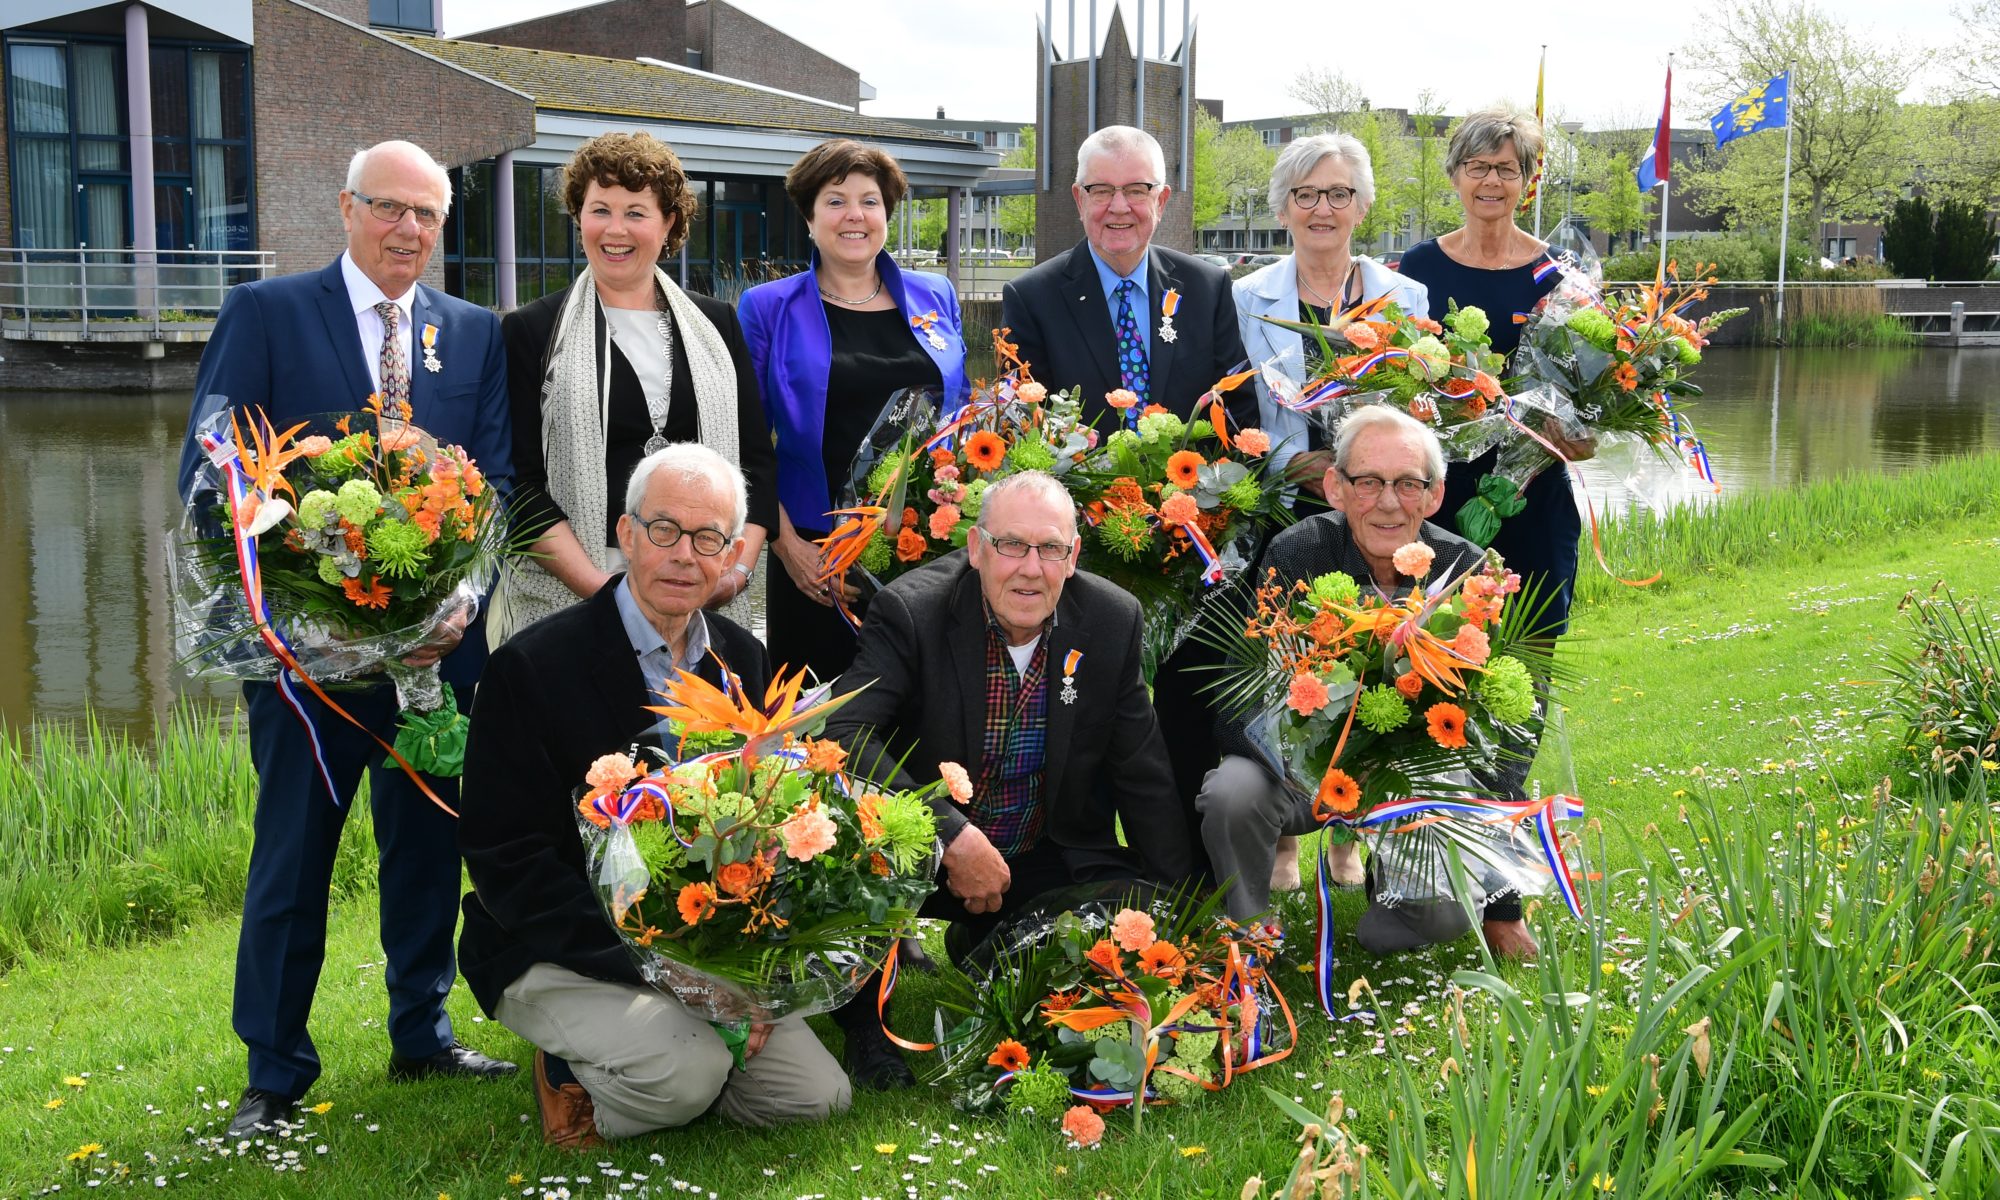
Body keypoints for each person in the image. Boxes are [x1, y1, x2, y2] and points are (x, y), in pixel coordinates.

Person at [175, 140, 518, 1141]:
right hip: (305, 669)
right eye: (388, 209)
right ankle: (273, 1071)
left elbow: (490, 481)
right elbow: (218, 473)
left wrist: (458, 606)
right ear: (346, 208)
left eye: (426, 215)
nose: (407, 230)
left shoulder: (472, 332)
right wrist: (298, 612)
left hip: (435, 661)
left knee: (426, 849)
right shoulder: (267, 314)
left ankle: (423, 1032)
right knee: (293, 860)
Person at [458, 444, 850, 1148]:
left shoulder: (744, 657)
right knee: (686, 1074)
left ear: (733, 554)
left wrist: (743, 977)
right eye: (664, 530)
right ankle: (571, 1073)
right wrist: (663, 971)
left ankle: (672, 1060)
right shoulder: (531, 666)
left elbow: (765, 824)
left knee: (816, 1098)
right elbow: (506, 859)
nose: (684, 556)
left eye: (708, 539)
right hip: (561, 941)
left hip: (706, 941)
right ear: (626, 534)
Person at [821, 471, 1193, 1084]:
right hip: (918, 851)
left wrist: (1184, 912)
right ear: (975, 549)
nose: (1030, 568)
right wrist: (951, 833)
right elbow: (843, 731)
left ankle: (992, 943)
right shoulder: (911, 611)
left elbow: (1142, 772)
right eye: (1011, 545)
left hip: (1038, 850)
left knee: (1141, 910)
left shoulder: (1111, 619)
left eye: (1050, 549)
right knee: (844, 857)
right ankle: (866, 1027)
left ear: (1073, 557)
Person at [1000, 124, 1253, 881]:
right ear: (1077, 199)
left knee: (1181, 720)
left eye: (1137, 190)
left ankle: (1190, 885)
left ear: (1162, 199)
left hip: (1189, 551)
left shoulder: (1204, 287)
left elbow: (1232, 420)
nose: (1120, 207)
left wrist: (1202, 508)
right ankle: (1092, 887)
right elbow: (1027, 433)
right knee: (1088, 720)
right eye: (1102, 191)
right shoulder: (1035, 296)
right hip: (1086, 556)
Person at [1197, 406, 1540, 959]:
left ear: (1434, 495)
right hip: (1302, 777)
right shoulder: (1295, 554)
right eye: (1368, 482)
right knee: (1232, 792)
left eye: (1408, 483)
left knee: (1428, 925)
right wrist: (1309, 768)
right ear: (1335, 487)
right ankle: (1247, 940)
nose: (1387, 501)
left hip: (1415, 786)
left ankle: (1397, 894)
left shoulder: (1470, 574)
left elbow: (1505, 743)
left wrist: (1503, 909)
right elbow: (1237, 704)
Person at [493, 132, 776, 640]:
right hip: (578, 589)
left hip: (705, 584)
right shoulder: (532, 330)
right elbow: (519, 485)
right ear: (578, 216)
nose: (615, 229)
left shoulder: (719, 326)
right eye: (600, 209)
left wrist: (733, 575)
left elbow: (755, 465)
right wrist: (607, 593)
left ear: (669, 223)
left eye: (636, 213)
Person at [738, 138, 969, 686]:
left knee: (926, 714)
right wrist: (787, 546)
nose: (855, 216)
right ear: (810, 217)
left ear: (887, 214)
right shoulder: (769, 308)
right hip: (820, 564)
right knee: (823, 723)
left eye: (870, 200)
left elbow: (960, 421)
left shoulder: (936, 294)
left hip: (926, 548)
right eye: (836, 200)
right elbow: (745, 441)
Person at [1397, 105, 1591, 643]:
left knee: (1531, 645)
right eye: (1477, 166)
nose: (1491, 181)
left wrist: (1583, 433)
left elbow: (1585, 385)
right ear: (1455, 175)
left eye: (1508, 169)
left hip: (1533, 490)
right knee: (1436, 648)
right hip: (1440, 492)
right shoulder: (1419, 268)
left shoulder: (1557, 273)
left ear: (1527, 181)